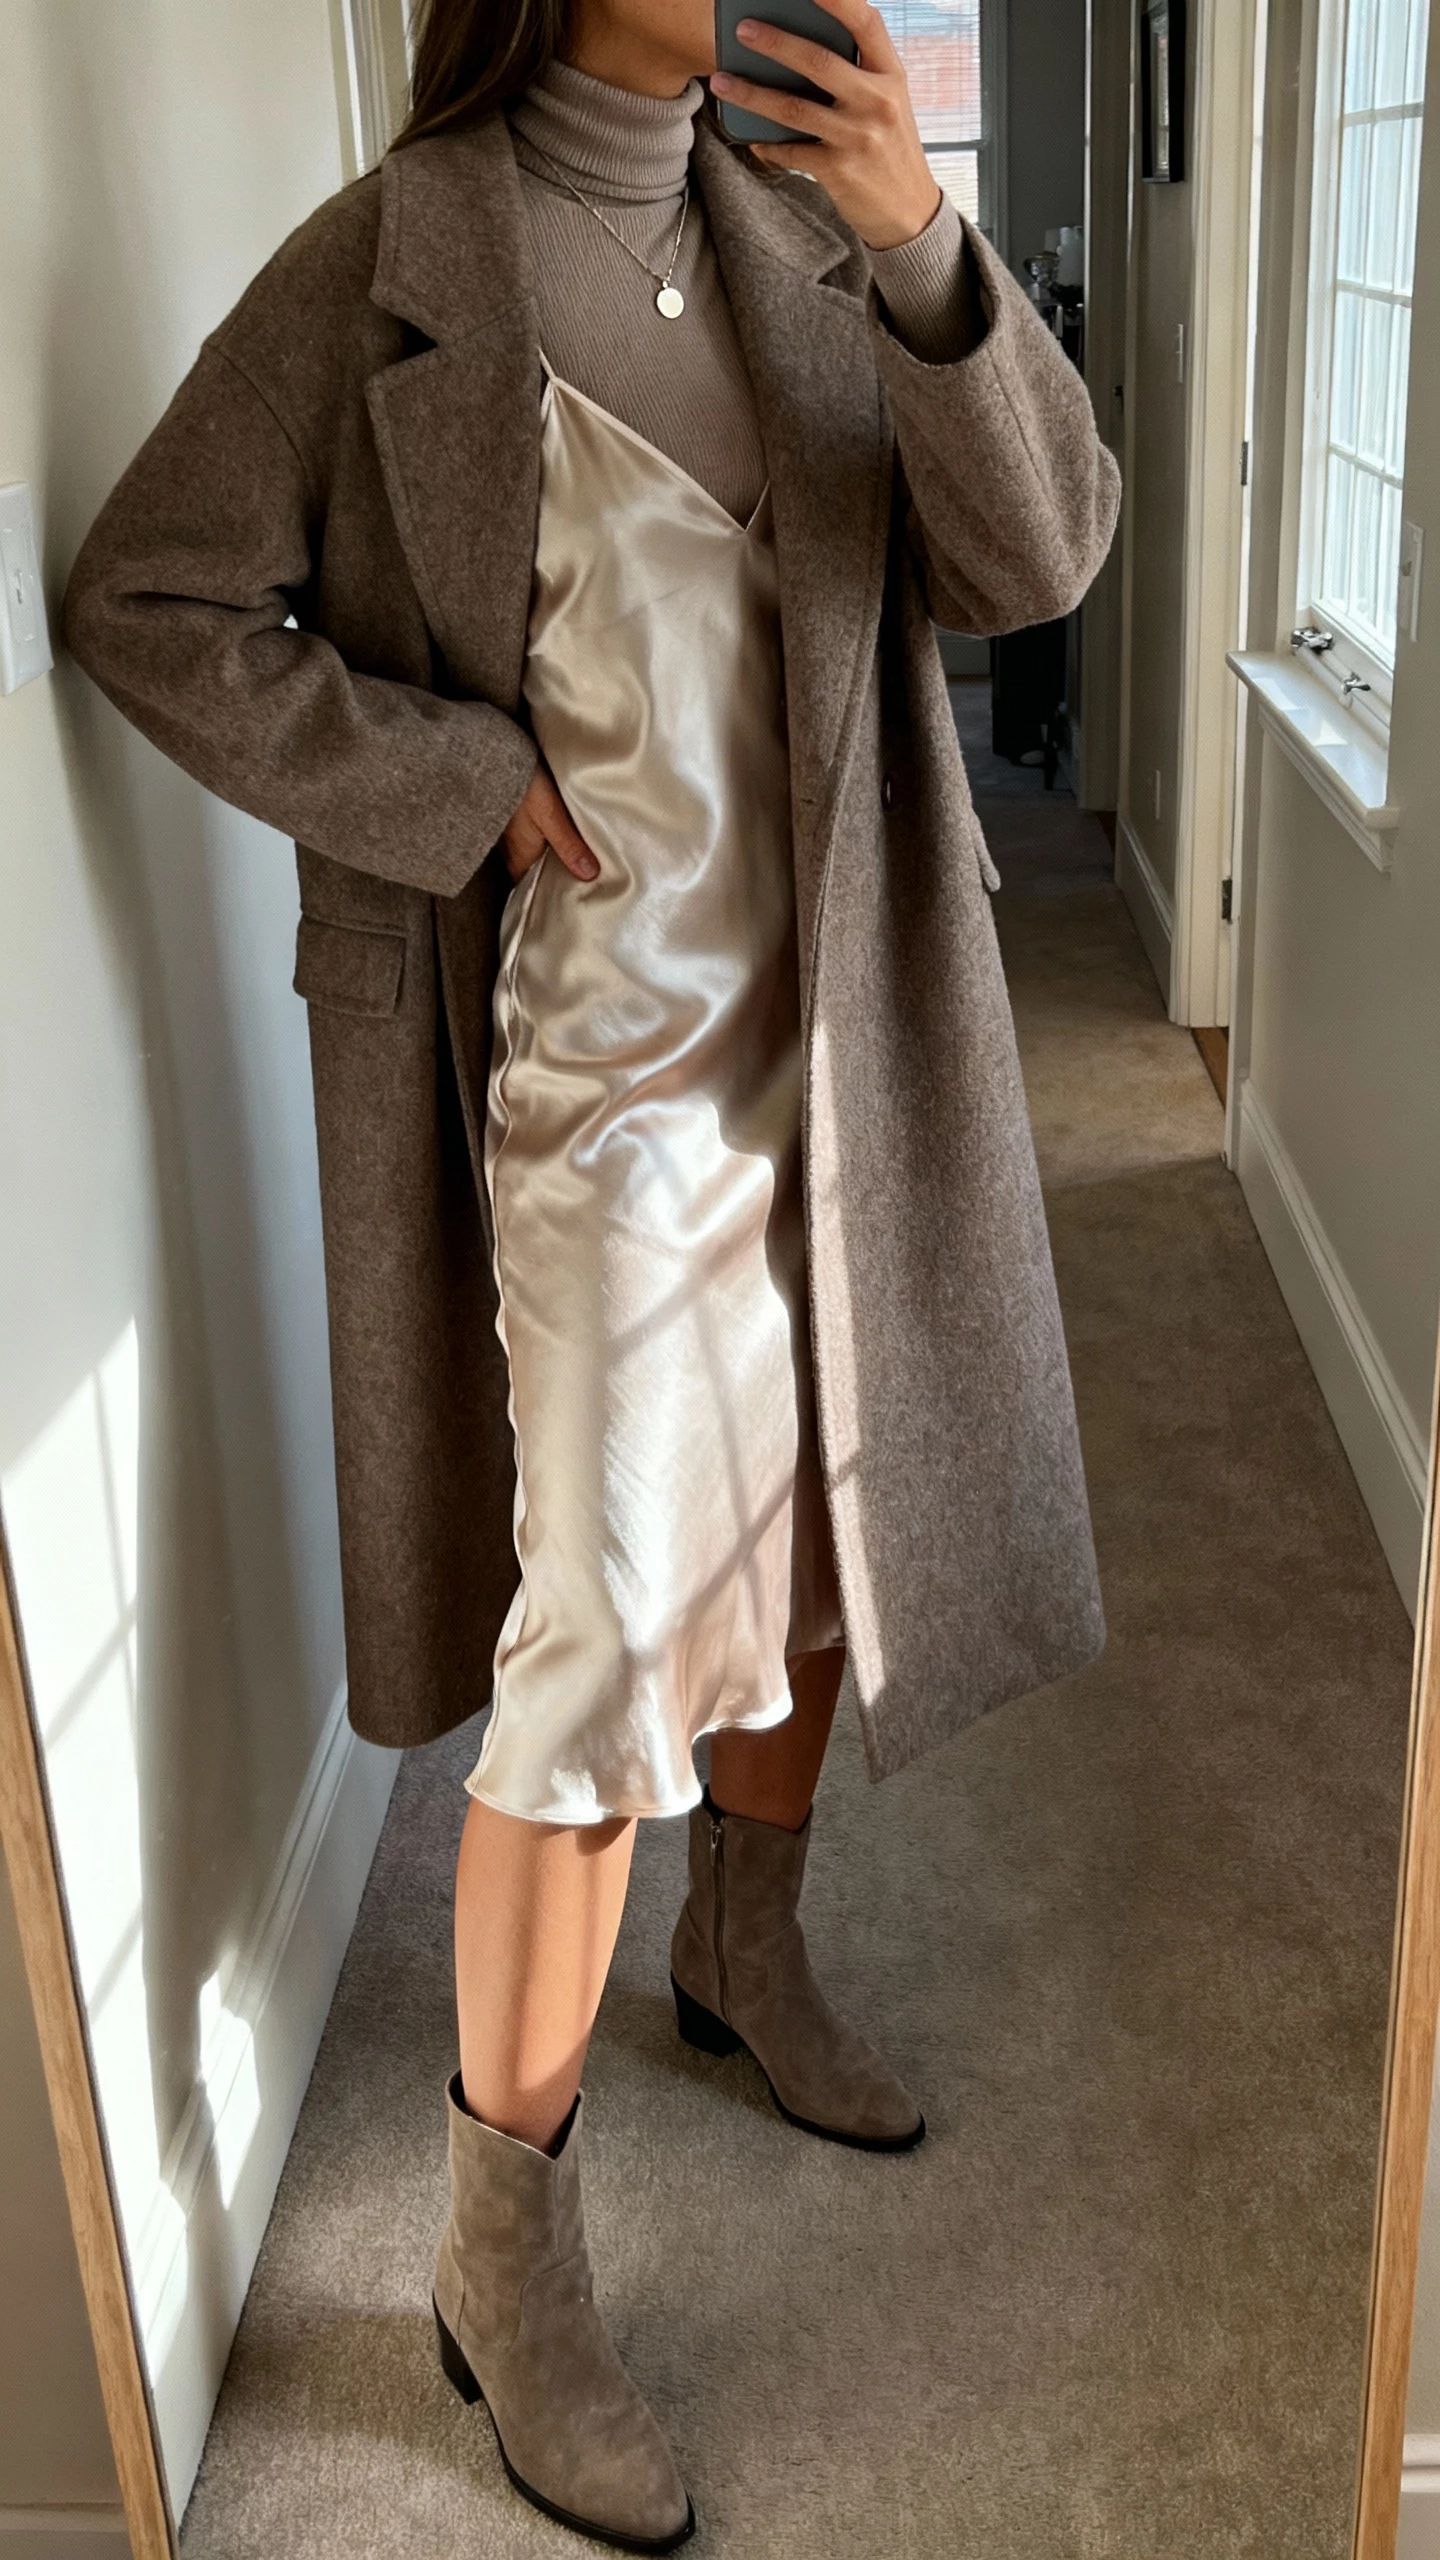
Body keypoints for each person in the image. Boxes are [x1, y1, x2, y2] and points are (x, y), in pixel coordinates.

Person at [64, 0, 1120, 2544]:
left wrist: (927, 242)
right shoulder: (391, 258)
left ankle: (744, 1956)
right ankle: (494, 2257)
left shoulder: (816, 223)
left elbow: (1040, 552)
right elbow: (153, 590)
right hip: (602, 1090)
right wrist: (455, 784)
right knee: (608, 1631)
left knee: (835, 1536)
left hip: (855, 1034)